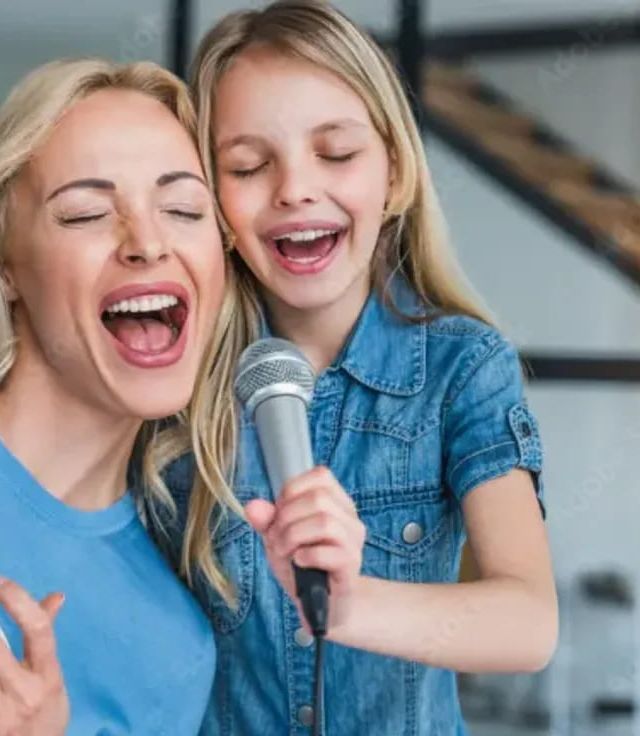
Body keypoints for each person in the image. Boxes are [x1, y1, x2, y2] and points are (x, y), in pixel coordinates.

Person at [146, 2, 559, 734]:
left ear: (395, 175)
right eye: (247, 166)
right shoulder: (172, 379)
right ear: (213, 203)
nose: (295, 188)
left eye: (336, 153)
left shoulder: (461, 366)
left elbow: (527, 623)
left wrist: (346, 604)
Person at [0, 57, 233, 735]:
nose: (147, 242)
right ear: (4, 262)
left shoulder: (166, 655)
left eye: (183, 209)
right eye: (85, 213)